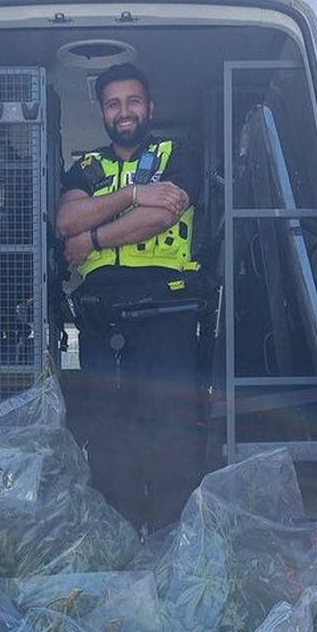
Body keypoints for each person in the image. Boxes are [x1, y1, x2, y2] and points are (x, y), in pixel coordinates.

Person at [57, 62, 203, 532]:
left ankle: (168, 552)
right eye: (114, 103)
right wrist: (135, 194)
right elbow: (65, 223)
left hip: (168, 318)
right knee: (109, 442)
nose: (125, 111)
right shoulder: (85, 166)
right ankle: (118, 558)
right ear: (103, 111)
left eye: (133, 101)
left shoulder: (178, 152)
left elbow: (162, 217)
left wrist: (94, 239)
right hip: (102, 324)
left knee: (172, 438)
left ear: (150, 107)